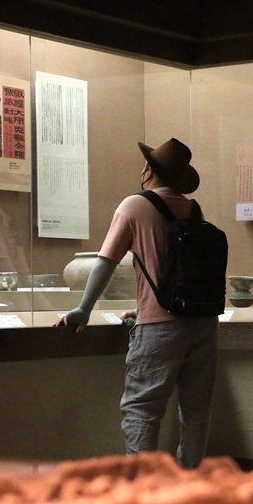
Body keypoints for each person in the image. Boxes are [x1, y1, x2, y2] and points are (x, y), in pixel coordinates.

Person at [55, 138, 219, 469]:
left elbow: (105, 262)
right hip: (202, 322)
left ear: (149, 170)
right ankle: (191, 482)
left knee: (142, 408)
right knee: (196, 409)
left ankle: (143, 484)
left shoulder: (134, 206)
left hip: (159, 326)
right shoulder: (193, 209)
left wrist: (84, 309)